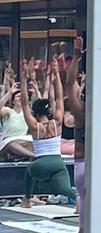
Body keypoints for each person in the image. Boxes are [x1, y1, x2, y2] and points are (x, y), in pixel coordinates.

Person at [19, 59, 73, 208]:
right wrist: (56, 78)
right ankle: (78, 197)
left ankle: (28, 200)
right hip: (57, 163)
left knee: (29, 171)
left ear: (35, 113)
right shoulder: (57, 122)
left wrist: (23, 79)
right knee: (66, 189)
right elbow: (59, 98)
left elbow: (24, 103)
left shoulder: (35, 126)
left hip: (40, 165)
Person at [65, 37, 86, 233]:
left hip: (82, 163)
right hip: (98, 162)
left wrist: (77, 56)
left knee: (84, 198)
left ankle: (81, 230)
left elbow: (70, 84)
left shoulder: (80, 112)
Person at [0, 83, 33, 161]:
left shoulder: (28, 113)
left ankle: (21, 156)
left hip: (23, 140)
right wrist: (10, 92)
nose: (20, 99)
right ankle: (33, 155)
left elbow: (41, 105)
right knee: (12, 145)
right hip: (9, 141)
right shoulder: (8, 111)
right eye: (18, 97)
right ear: (13, 101)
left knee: (35, 143)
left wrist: (37, 92)